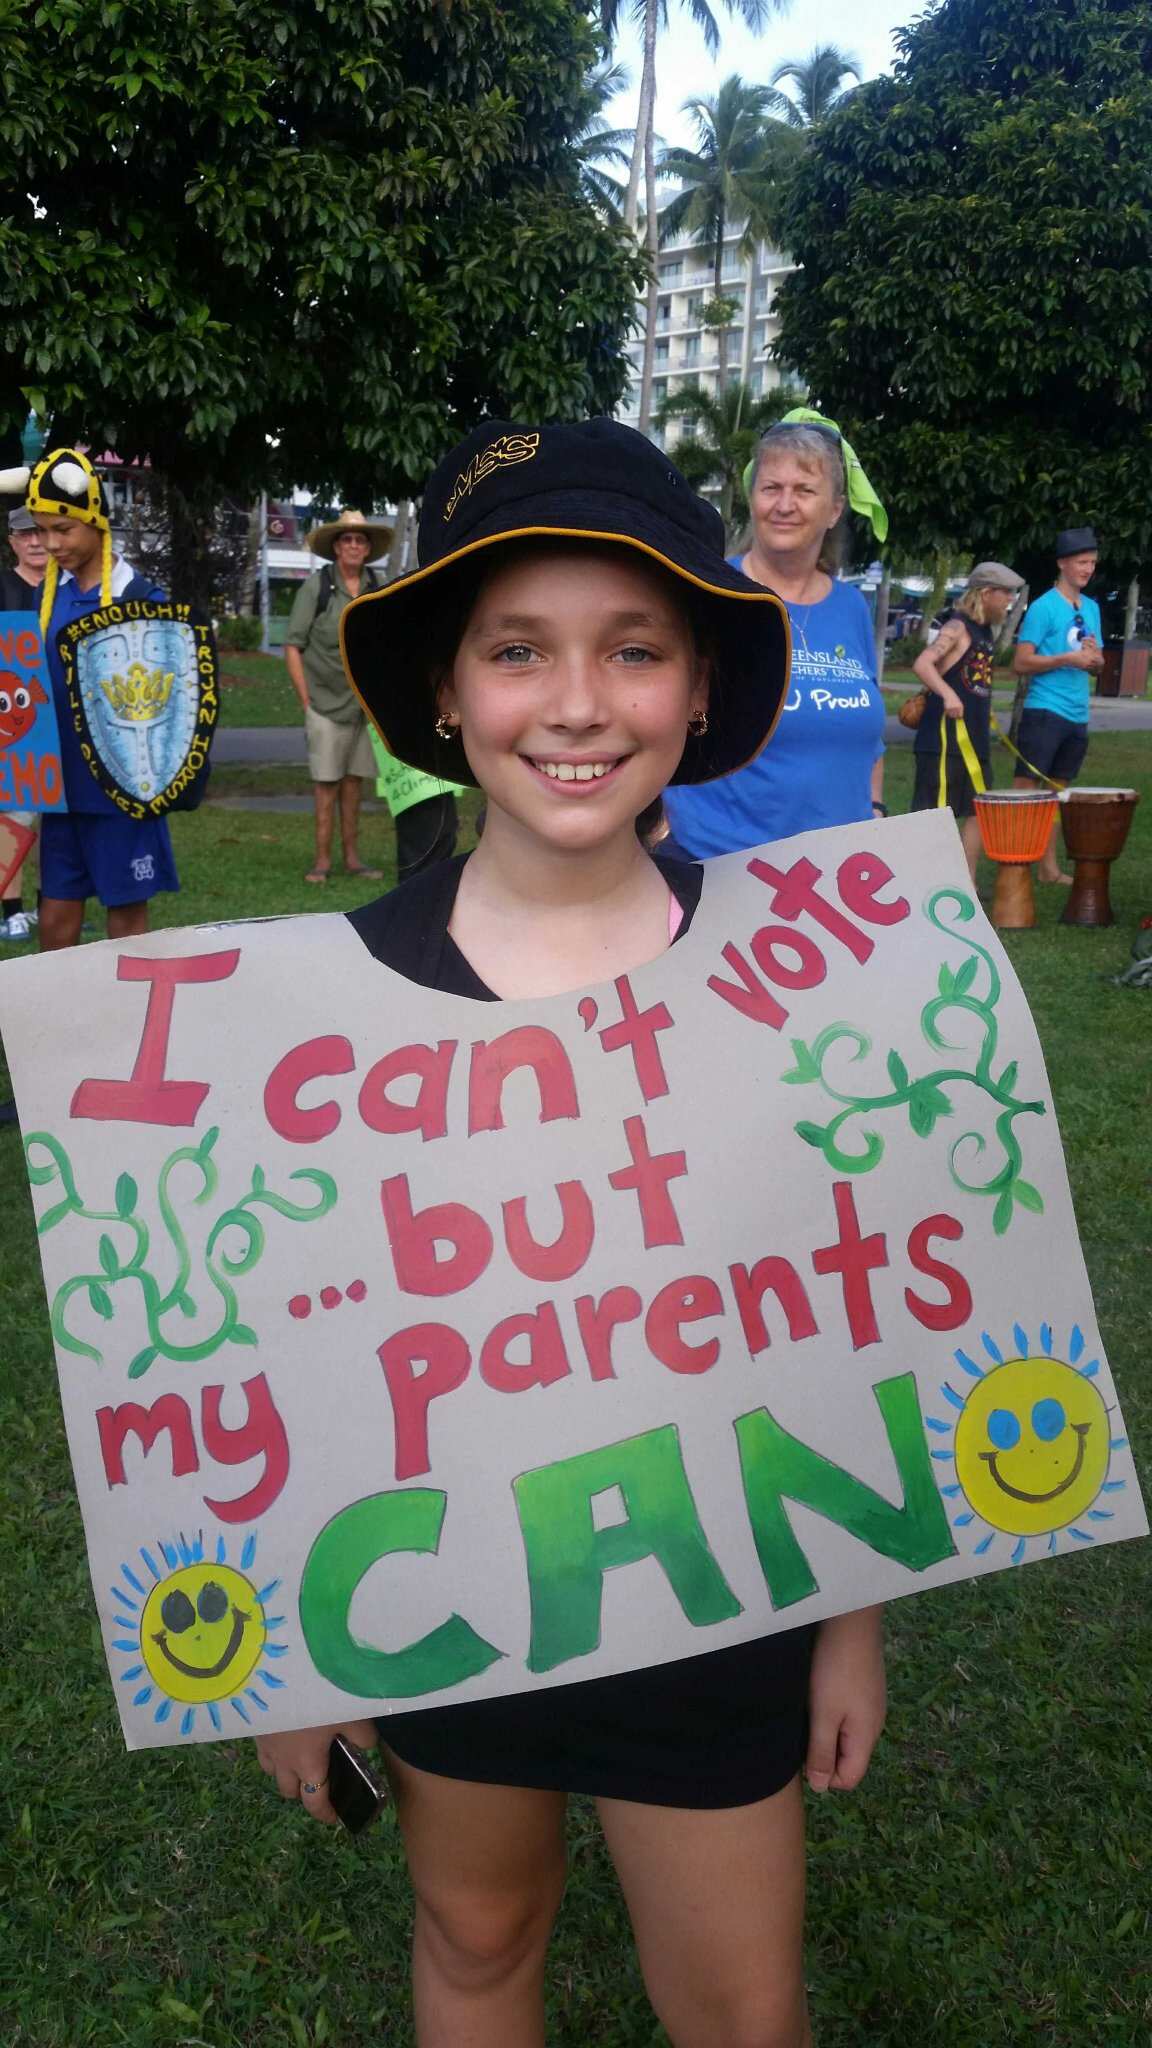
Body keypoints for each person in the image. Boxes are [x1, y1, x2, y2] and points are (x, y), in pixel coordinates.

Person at [256, 417, 887, 2048]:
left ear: (696, 688)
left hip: (722, 1586)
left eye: (634, 649)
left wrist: (856, 1618)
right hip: (442, 1593)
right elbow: (301, 1351)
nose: (581, 704)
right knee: (473, 1932)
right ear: (449, 692)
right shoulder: (326, 1012)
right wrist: (291, 1652)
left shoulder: (795, 986)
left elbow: (846, 1318)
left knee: (739, 2004)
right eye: (518, 649)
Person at [661, 411, 888, 859]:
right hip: (720, 862)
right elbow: (656, 714)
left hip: (839, 873)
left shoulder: (851, 607)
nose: (785, 505)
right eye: (771, 488)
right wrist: (656, 823)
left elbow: (870, 737)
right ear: (753, 499)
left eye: (805, 490)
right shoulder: (712, 594)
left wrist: (876, 807)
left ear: (835, 509)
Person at [24, 449, 178, 951]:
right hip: (61, 790)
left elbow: (170, 704)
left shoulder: (145, 597)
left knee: (127, 924)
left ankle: (128, 1025)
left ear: (95, 523)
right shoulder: (47, 600)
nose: (50, 543)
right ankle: (51, 1028)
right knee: (55, 919)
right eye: (42, 530)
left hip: (123, 793)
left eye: (62, 529)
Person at [285, 507, 392, 884]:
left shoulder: (376, 586)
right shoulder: (318, 587)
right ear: (336, 546)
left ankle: (352, 859)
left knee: (353, 784)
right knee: (325, 785)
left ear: (367, 548)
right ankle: (321, 861)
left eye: (360, 540)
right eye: (346, 539)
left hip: (361, 708)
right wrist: (305, 700)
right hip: (323, 705)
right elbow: (293, 645)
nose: (353, 545)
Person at [910, 562, 1025, 880]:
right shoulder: (957, 627)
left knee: (979, 810)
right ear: (986, 593)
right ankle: (923, 880)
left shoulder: (984, 630)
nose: (1010, 601)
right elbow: (923, 663)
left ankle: (966, 881)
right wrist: (948, 695)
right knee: (932, 815)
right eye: (1006, 594)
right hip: (943, 740)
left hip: (974, 741)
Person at [1012, 525, 1103, 884]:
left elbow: (1095, 659)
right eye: (1082, 562)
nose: (1088, 569)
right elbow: (1020, 663)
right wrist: (1066, 659)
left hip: (1077, 713)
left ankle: (1048, 868)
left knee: (1057, 795)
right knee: (1026, 792)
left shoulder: (1092, 607)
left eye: (1092, 563)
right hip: (1044, 711)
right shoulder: (1043, 607)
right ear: (1063, 563)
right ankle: (1015, 864)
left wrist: (1094, 662)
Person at [0, 505, 47, 940]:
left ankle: (49, 904)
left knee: (58, 822)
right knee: (15, 817)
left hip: (64, 722)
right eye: (25, 534)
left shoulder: (68, 587)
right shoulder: (3, 587)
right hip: (14, 724)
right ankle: (10, 908)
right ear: (12, 541)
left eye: (41, 532)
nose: (35, 541)